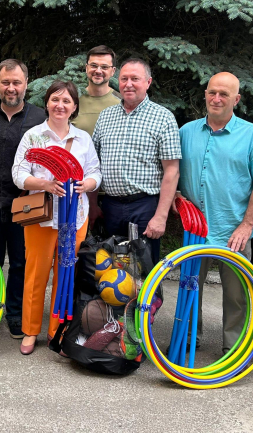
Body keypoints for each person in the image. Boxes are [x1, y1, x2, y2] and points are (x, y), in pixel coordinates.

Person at [176, 72, 253, 353]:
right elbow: (172, 172)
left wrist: (247, 225)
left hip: (234, 230)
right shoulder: (186, 132)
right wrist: (176, 198)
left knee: (237, 296)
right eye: (212, 92)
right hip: (195, 231)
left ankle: (234, 350)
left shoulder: (252, 134)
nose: (216, 98)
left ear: (237, 99)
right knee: (189, 288)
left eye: (224, 94)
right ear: (205, 94)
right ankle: (185, 339)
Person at [12, 80, 101, 355]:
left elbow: (96, 173)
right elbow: (18, 174)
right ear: (47, 103)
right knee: (35, 275)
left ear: (74, 107)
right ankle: (30, 331)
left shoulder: (83, 138)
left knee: (66, 275)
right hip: (41, 217)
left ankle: (57, 332)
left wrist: (87, 184)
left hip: (75, 217)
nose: (60, 105)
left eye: (66, 101)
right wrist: (46, 185)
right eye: (55, 99)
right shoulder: (33, 136)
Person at [0, 59, 46, 339]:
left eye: (16, 82)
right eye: (6, 82)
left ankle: (15, 315)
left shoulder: (39, 117)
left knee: (20, 263)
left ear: (26, 84)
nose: (11, 88)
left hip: (25, 204)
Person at [92, 58, 181, 263]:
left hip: (145, 207)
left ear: (148, 82)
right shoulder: (106, 116)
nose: (128, 84)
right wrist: (93, 204)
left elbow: (172, 171)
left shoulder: (163, 117)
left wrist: (161, 216)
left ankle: (148, 297)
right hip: (110, 207)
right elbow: (93, 164)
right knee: (111, 271)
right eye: (124, 79)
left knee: (145, 269)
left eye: (135, 79)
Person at [72, 45, 121, 235]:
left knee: (109, 255)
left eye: (104, 66)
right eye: (93, 65)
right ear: (86, 68)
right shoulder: (73, 101)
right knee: (78, 251)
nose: (98, 71)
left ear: (112, 71)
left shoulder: (121, 102)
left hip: (112, 193)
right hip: (78, 189)